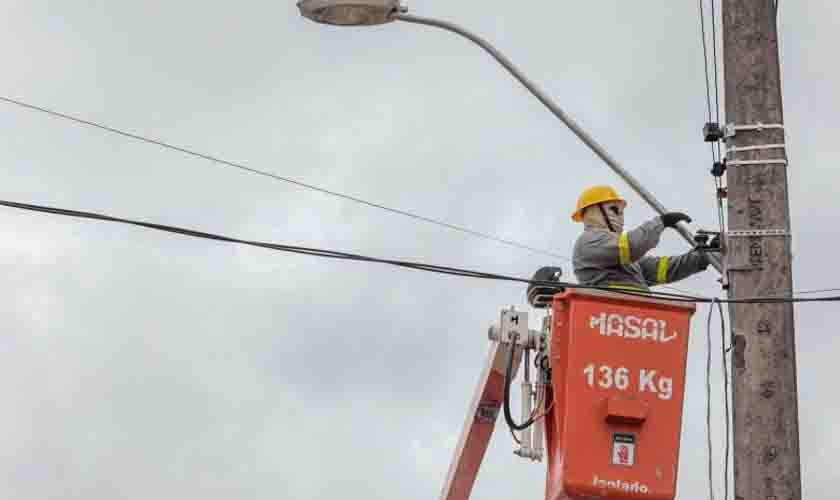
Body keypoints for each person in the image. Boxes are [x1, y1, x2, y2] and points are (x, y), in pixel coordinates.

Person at [571, 185, 713, 291]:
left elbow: (663, 269)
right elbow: (631, 246)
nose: (621, 216)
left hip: (636, 316)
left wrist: (702, 257)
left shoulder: (628, 261)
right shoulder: (588, 242)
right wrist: (661, 222)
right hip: (608, 314)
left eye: (622, 212)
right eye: (615, 210)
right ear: (595, 211)